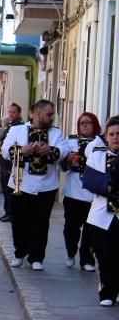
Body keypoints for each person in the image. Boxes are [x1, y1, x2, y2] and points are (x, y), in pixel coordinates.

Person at [2, 99, 70, 270]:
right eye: (49, 114)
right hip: (20, 183)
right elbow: (4, 150)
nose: (52, 117)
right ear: (38, 114)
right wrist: (21, 150)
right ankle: (19, 253)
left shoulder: (56, 133)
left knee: (41, 223)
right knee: (19, 221)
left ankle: (36, 257)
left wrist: (52, 150)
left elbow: (64, 151)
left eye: (52, 114)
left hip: (46, 186)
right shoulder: (17, 130)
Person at [81, 116, 119, 305]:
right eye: (111, 134)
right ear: (106, 136)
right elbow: (89, 181)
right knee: (105, 255)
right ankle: (107, 292)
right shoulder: (97, 155)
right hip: (102, 214)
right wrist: (109, 186)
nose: (115, 137)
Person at [61, 112, 101, 271]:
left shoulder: (101, 142)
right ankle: (71, 252)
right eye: (82, 122)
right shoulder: (71, 141)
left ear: (95, 124)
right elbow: (62, 165)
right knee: (71, 227)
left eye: (88, 122)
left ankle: (87, 259)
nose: (85, 125)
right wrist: (69, 159)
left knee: (90, 229)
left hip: (93, 194)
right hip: (74, 191)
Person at [0, 103, 24, 222]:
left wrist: (1, 144)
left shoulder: (20, 127)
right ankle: (7, 211)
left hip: (11, 163)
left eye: (14, 112)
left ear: (19, 113)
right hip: (3, 160)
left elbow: (16, 143)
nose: (11, 114)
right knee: (5, 190)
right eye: (10, 112)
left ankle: (11, 213)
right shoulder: (8, 126)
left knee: (10, 190)